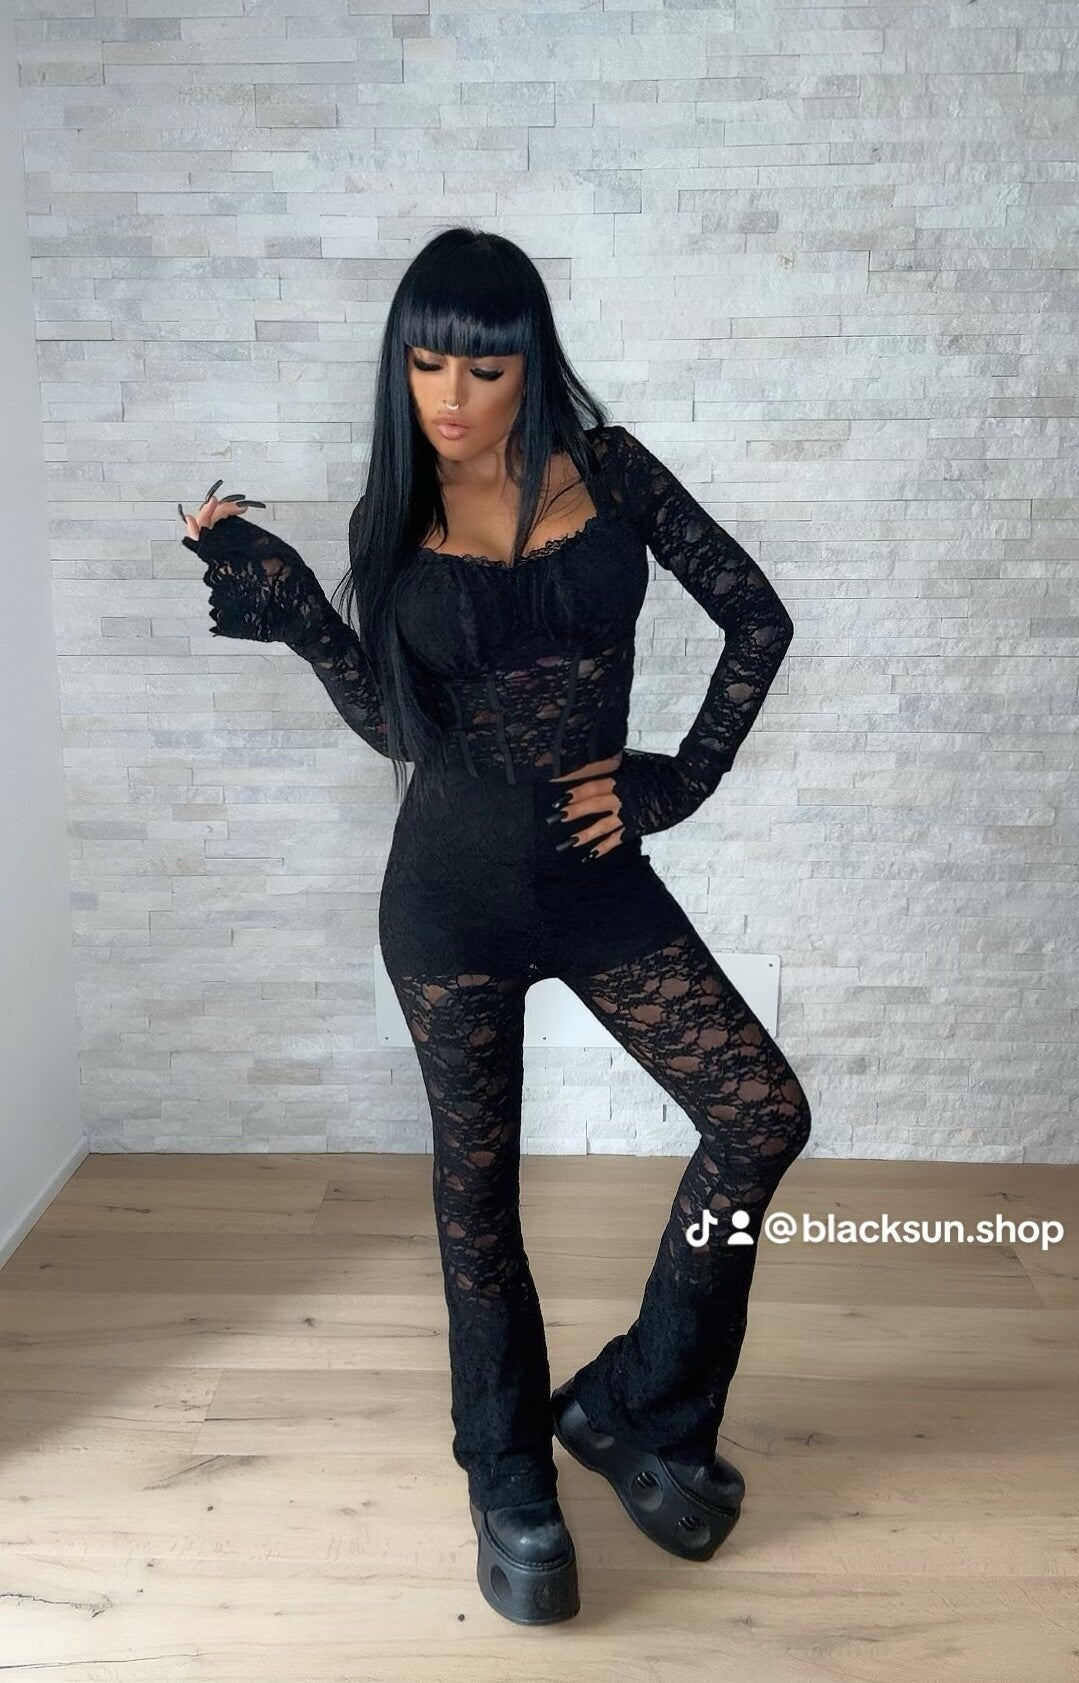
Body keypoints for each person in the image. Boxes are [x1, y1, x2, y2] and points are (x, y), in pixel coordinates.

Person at [178, 226, 812, 1627]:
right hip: (449, 896)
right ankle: (510, 1477)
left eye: (483, 366)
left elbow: (757, 621)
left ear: (532, 362)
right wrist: (298, 611)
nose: (451, 396)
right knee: (479, 1206)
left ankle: (639, 1403)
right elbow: (395, 730)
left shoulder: (617, 474)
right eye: (425, 364)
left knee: (760, 1115)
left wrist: (671, 782)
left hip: (593, 881)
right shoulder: (390, 519)